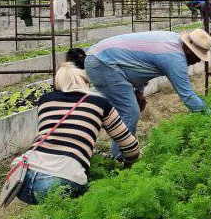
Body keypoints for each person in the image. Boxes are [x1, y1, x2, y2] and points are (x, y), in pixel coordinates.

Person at [14, 62, 139, 205]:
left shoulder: (45, 101)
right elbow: (129, 145)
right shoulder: (100, 103)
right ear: (84, 81)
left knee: (52, 211)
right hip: (60, 179)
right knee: (81, 204)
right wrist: (130, 164)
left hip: (22, 180)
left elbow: (60, 138)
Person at [84, 29, 211, 156]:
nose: (198, 61)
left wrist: (138, 92)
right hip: (103, 62)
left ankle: (94, 142)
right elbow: (187, 96)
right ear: (189, 50)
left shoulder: (173, 41)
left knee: (119, 110)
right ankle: (120, 158)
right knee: (130, 112)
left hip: (102, 58)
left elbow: (138, 64)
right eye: (197, 56)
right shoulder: (174, 57)